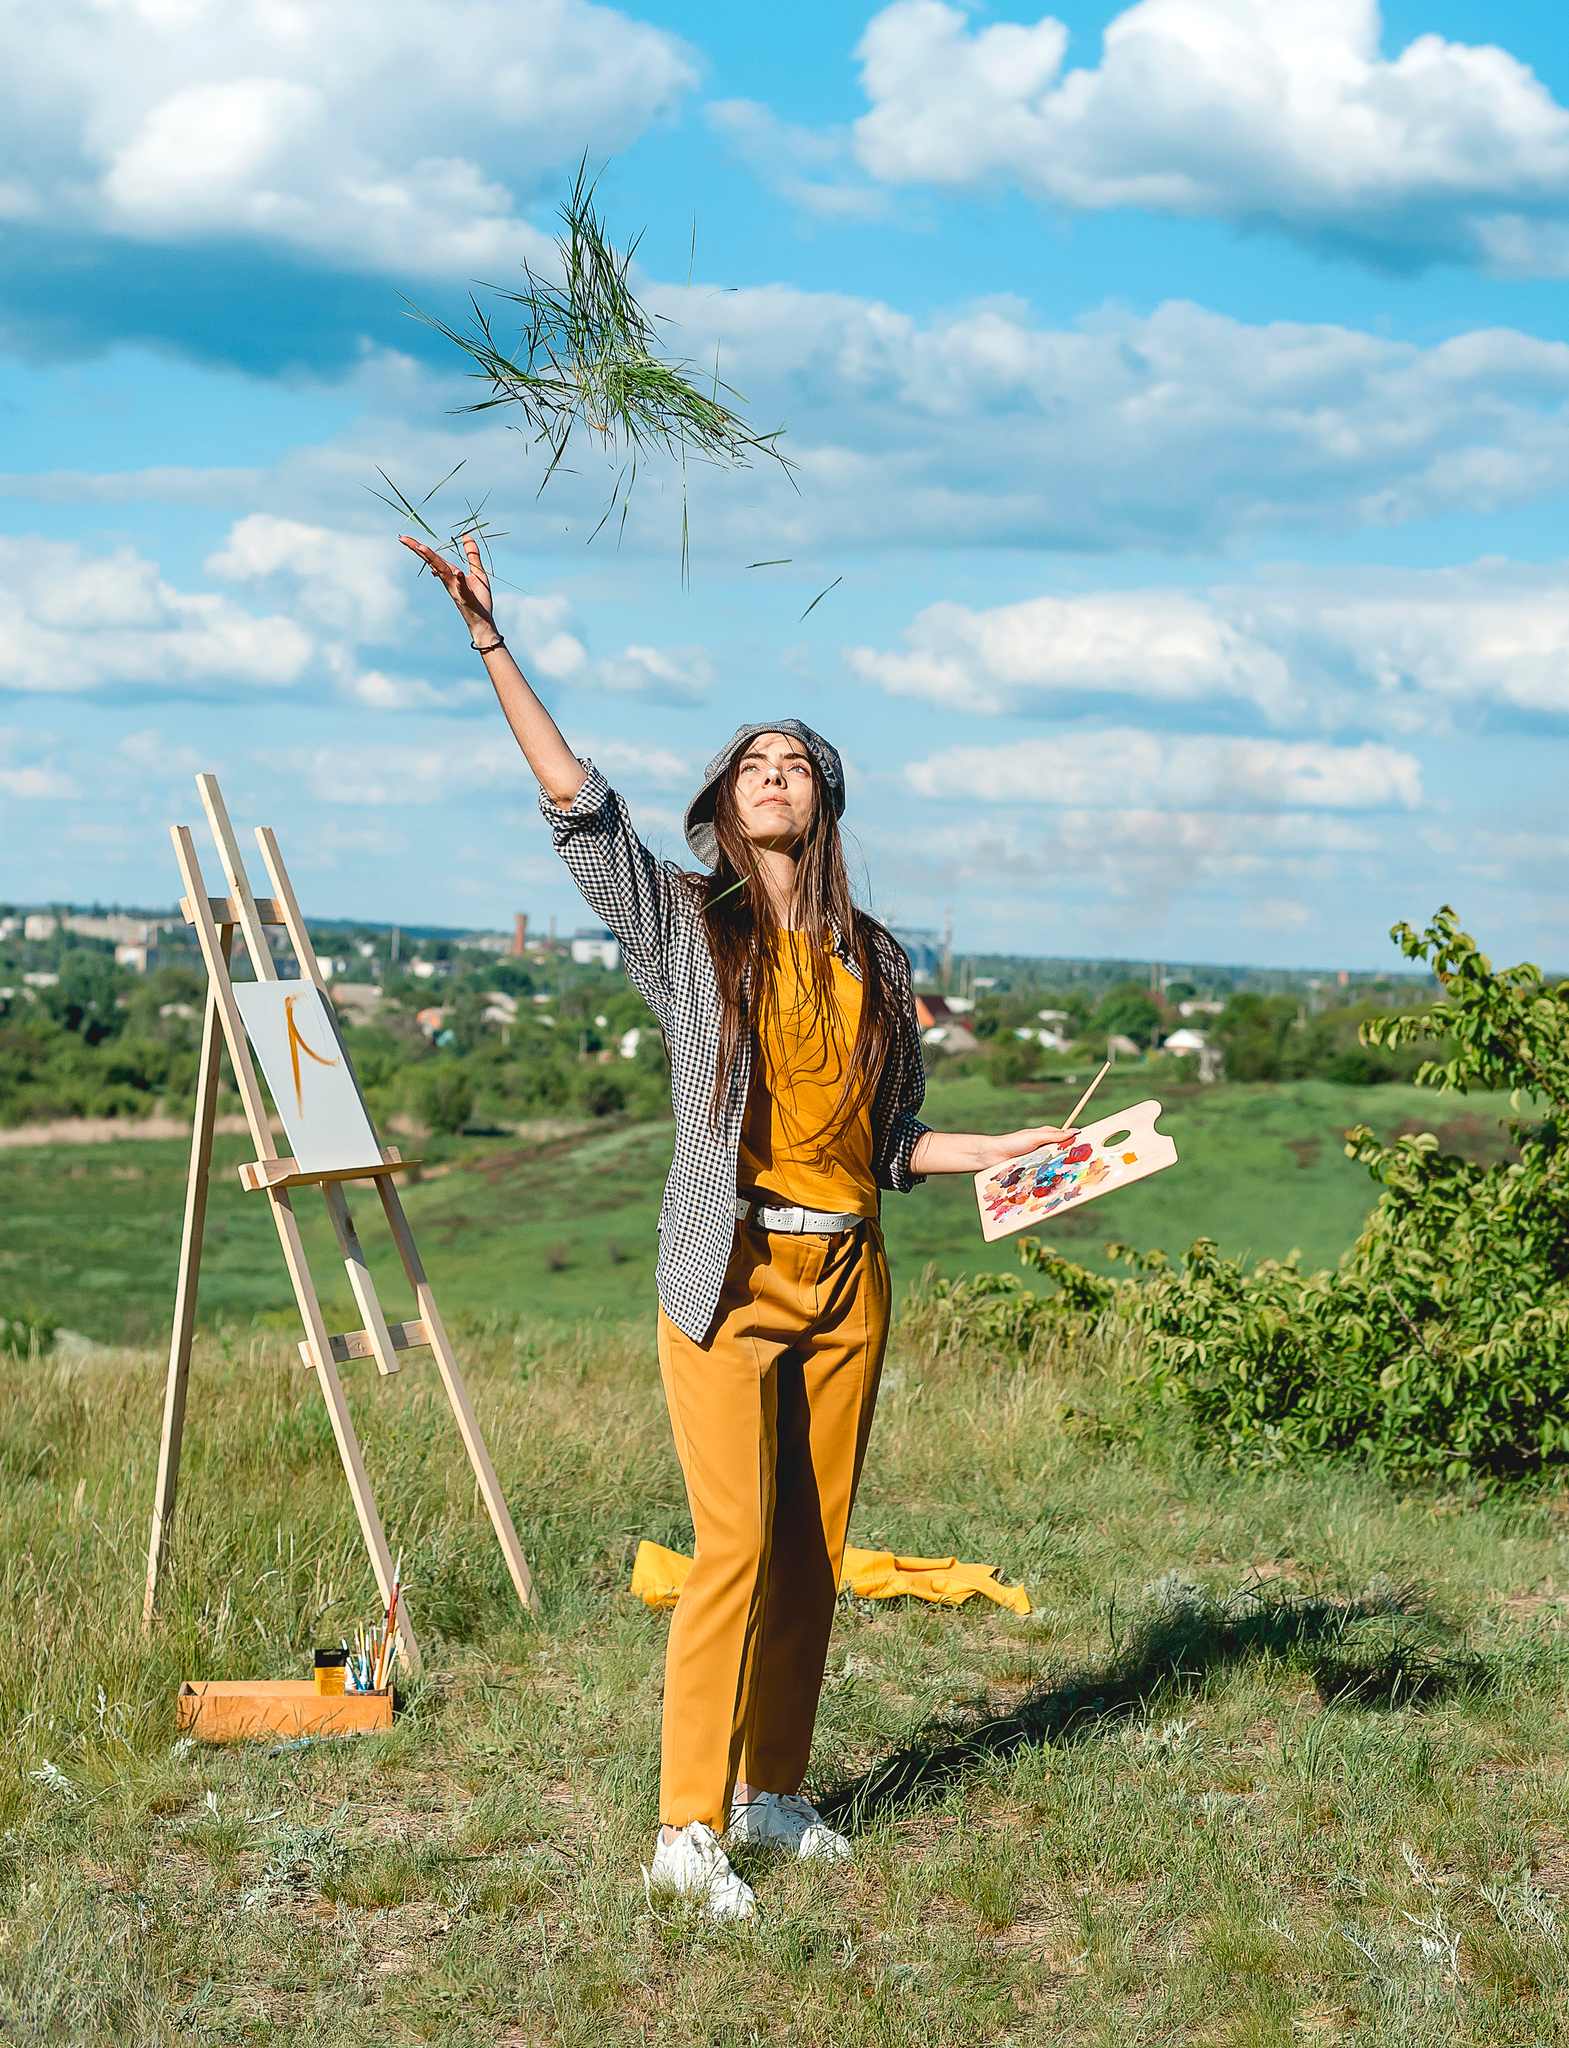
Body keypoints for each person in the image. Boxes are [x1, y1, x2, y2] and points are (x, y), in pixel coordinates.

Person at [400, 529, 1073, 1923]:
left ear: (826, 801)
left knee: (814, 1554)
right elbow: (579, 807)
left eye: (797, 762)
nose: (775, 772)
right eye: (753, 761)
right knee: (735, 1548)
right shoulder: (684, 925)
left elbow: (894, 1142)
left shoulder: (878, 957)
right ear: (724, 802)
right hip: (730, 1269)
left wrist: (1003, 1147)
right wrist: (489, 639)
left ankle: (775, 1792)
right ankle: (686, 1830)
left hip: (849, 1273)